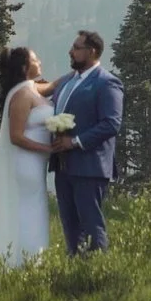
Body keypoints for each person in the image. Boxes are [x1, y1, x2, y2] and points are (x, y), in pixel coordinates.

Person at [47, 29, 124, 255]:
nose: (70, 52)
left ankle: (98, 269)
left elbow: (111, 123)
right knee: (70, 226)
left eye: (76, 48)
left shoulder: (106, 83)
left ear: (92, 52)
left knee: (91, 224)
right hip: (63, 166)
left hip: (90, 166)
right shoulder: (67, 81)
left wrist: (75, 141)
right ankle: (76, 268)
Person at [0, 46, 56, 265]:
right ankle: (23, 260)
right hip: (27, 163)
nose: (40, 62)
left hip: (35, 163)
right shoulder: (22, 96)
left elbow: (51, 86)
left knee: (36, 208)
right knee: (29, 210)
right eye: (35, 60)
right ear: (25, 67)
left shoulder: (32, 88)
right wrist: (48, 149)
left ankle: (32, 257)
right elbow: (16, 136)